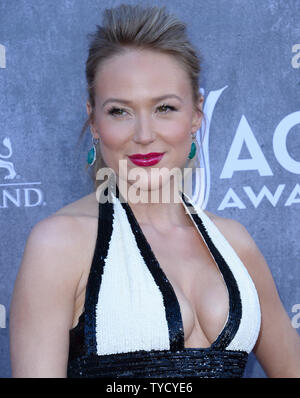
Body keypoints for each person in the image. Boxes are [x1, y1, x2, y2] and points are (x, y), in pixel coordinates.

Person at [9, 4, 300, 378]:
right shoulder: (59, 244)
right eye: (120, 111)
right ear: (94, 120)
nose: (144, 135)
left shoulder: (236, 243)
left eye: (164, 108)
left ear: (196, 115)